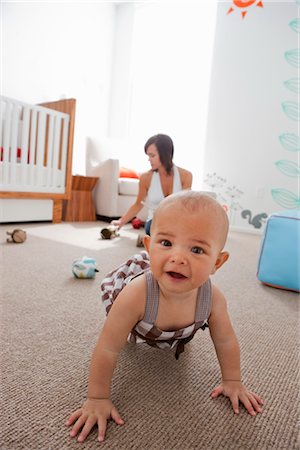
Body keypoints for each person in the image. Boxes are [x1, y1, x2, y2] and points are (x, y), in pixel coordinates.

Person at [66, 191, 264, 443]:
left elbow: (225, 341)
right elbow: (107, 348)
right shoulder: (135, 294)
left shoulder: (213, 299)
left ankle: (177, 336)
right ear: (149, 247)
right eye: (166, 243)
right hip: (139, 324)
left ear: (218, 262)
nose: (178, 258)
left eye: (197, 249)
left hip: (178, 332)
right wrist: (97, 398)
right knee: (120, 330)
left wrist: (233, 381)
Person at [111, 133, 192, 235]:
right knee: (159, 228)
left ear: (165, 155)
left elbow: (185, 206)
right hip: (155, 221)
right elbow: (138, 204)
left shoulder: (186, 176)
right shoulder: (146, 178)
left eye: (152, 155)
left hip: (177, 221)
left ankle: (155, 241)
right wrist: (121, 222)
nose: (149, 159)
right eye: (148, 155)